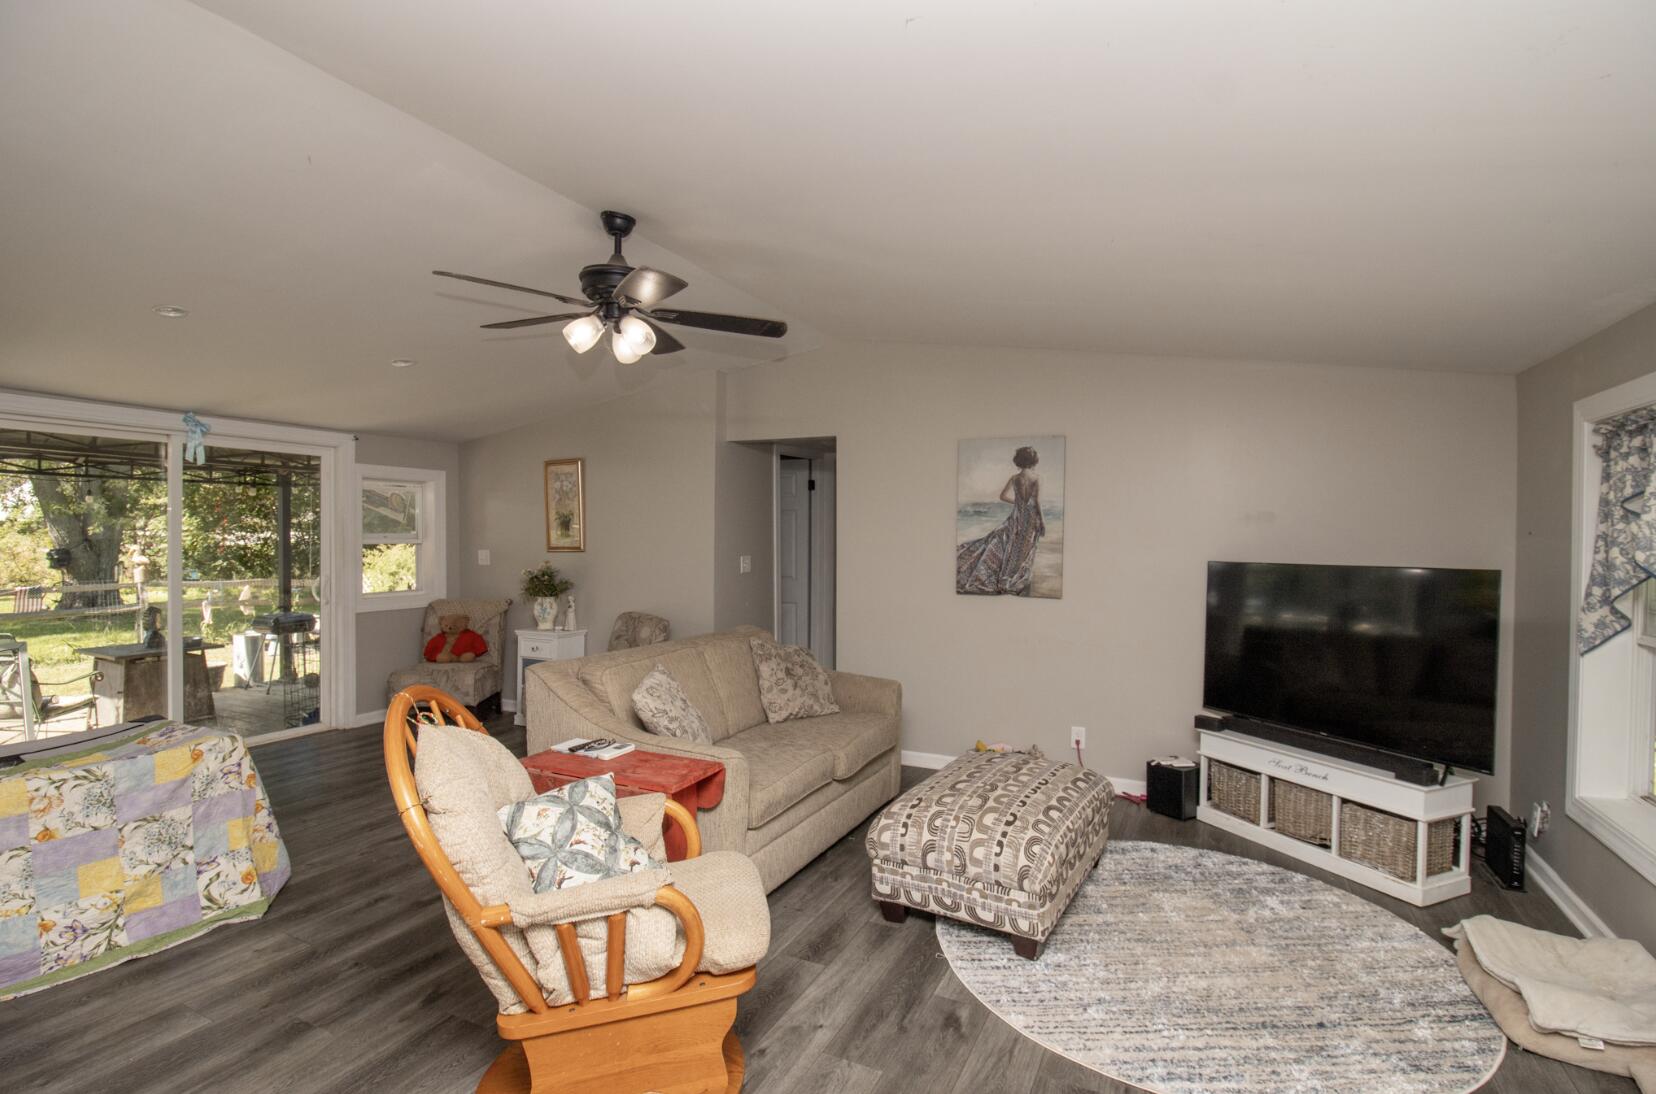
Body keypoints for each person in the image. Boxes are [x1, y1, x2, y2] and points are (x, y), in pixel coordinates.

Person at [956, 446, 1045, 595]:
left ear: (1019, 460)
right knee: (1025, 547)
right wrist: (1042, 521)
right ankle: (1016, 576)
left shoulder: (1015, 478)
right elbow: (1037, 502)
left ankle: (1006, 576)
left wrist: (1017, 503)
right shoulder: (1037, 478)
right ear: (1034, 461)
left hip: (1016, 516)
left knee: (1011, 545)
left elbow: (1002, 496)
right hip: (1030, 518)